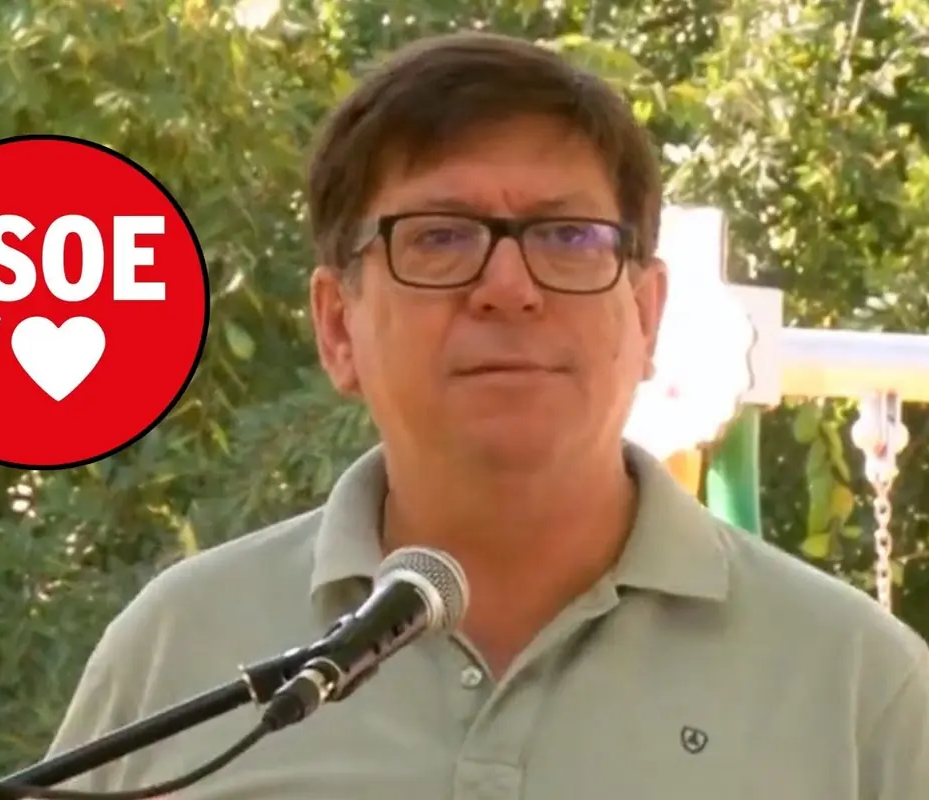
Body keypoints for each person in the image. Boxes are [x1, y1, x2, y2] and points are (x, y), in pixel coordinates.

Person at [46, 31, 929, 798]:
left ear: (647, 315)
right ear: (338, 325)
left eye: (568, 237)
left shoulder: (856, 685)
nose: (509, 288)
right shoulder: (181, 651)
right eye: (440, 236)